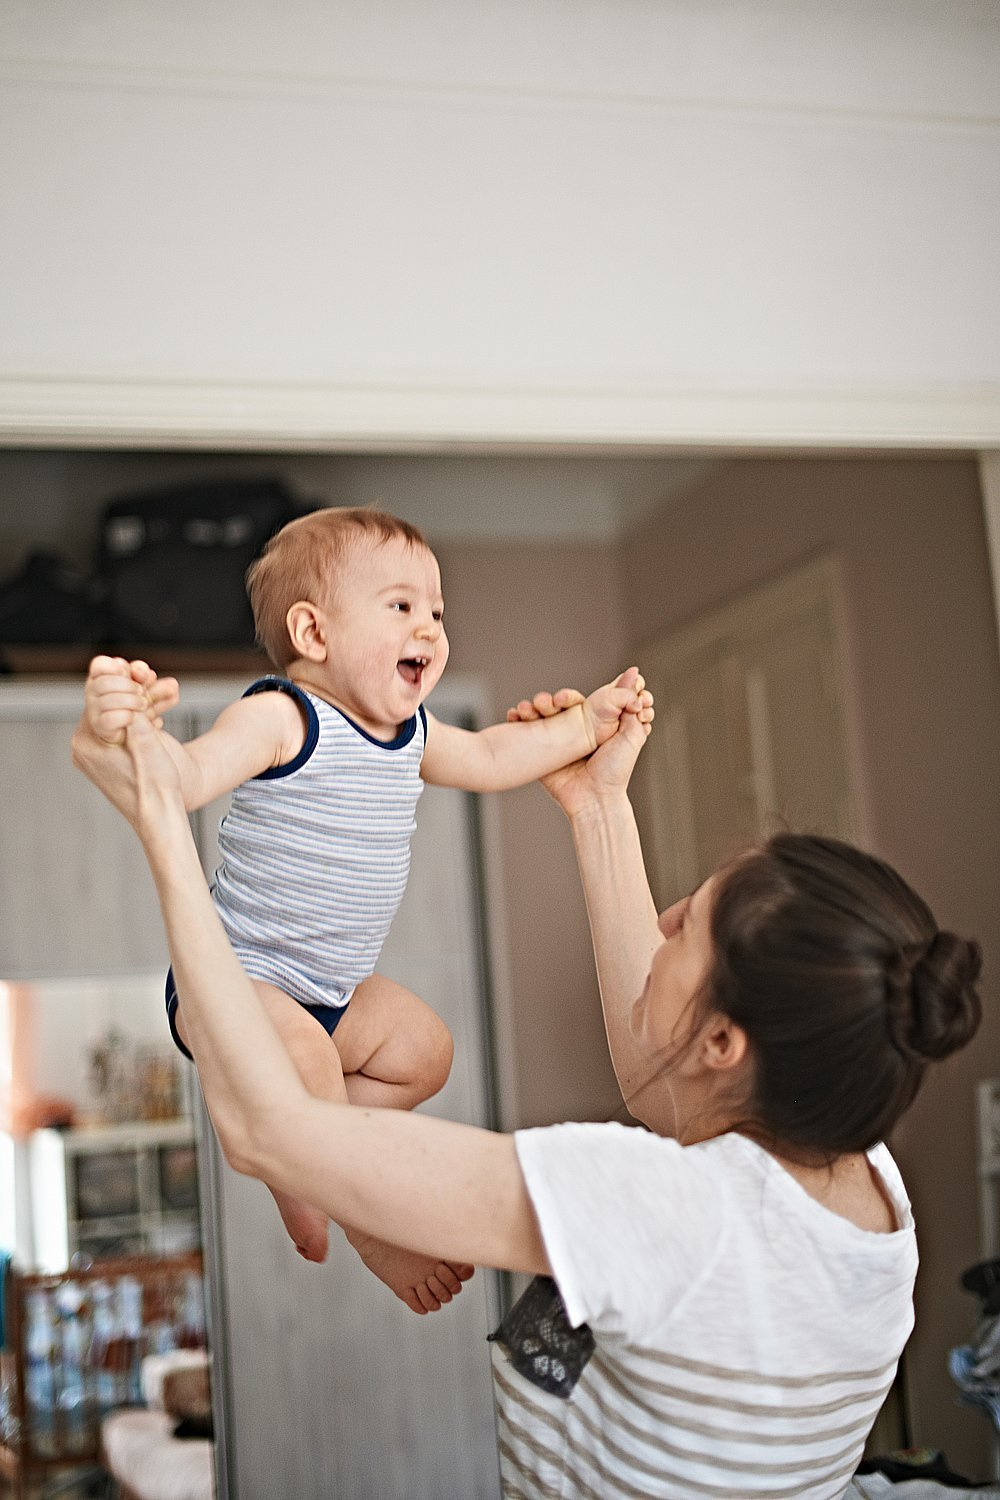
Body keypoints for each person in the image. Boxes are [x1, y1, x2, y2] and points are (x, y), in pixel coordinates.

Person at [71, 681, 983, 1500]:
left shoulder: (661, 1210)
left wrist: (162, 825)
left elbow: (269, 1128)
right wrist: (599, 805)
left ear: (723, 1041)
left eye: (686, 926)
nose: (661, 923)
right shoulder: (860, 1181)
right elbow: (656, 1070)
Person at [81, 505, 652, 1313]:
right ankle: (367, 1219)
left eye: (437, 611)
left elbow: (493, 757)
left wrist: (582, 724)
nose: (430, 626)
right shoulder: (284, 716)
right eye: (401, 606)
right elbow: (185, 780)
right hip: (239, 985)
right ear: (314, 633)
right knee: (311, 1071)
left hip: (328, 994)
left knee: (426, 1051)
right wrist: (134, 735)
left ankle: (297, 1149)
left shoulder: (413, 732)